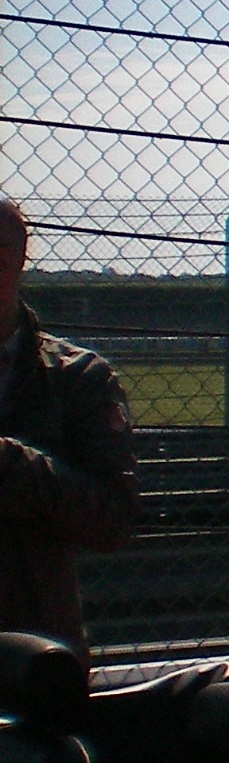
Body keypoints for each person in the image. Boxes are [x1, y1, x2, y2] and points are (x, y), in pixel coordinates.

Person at [0, 198, 139, 653]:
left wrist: (12, 464)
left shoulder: (78, 377)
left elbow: (113, 521)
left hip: (32, 652)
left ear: (17, 262)